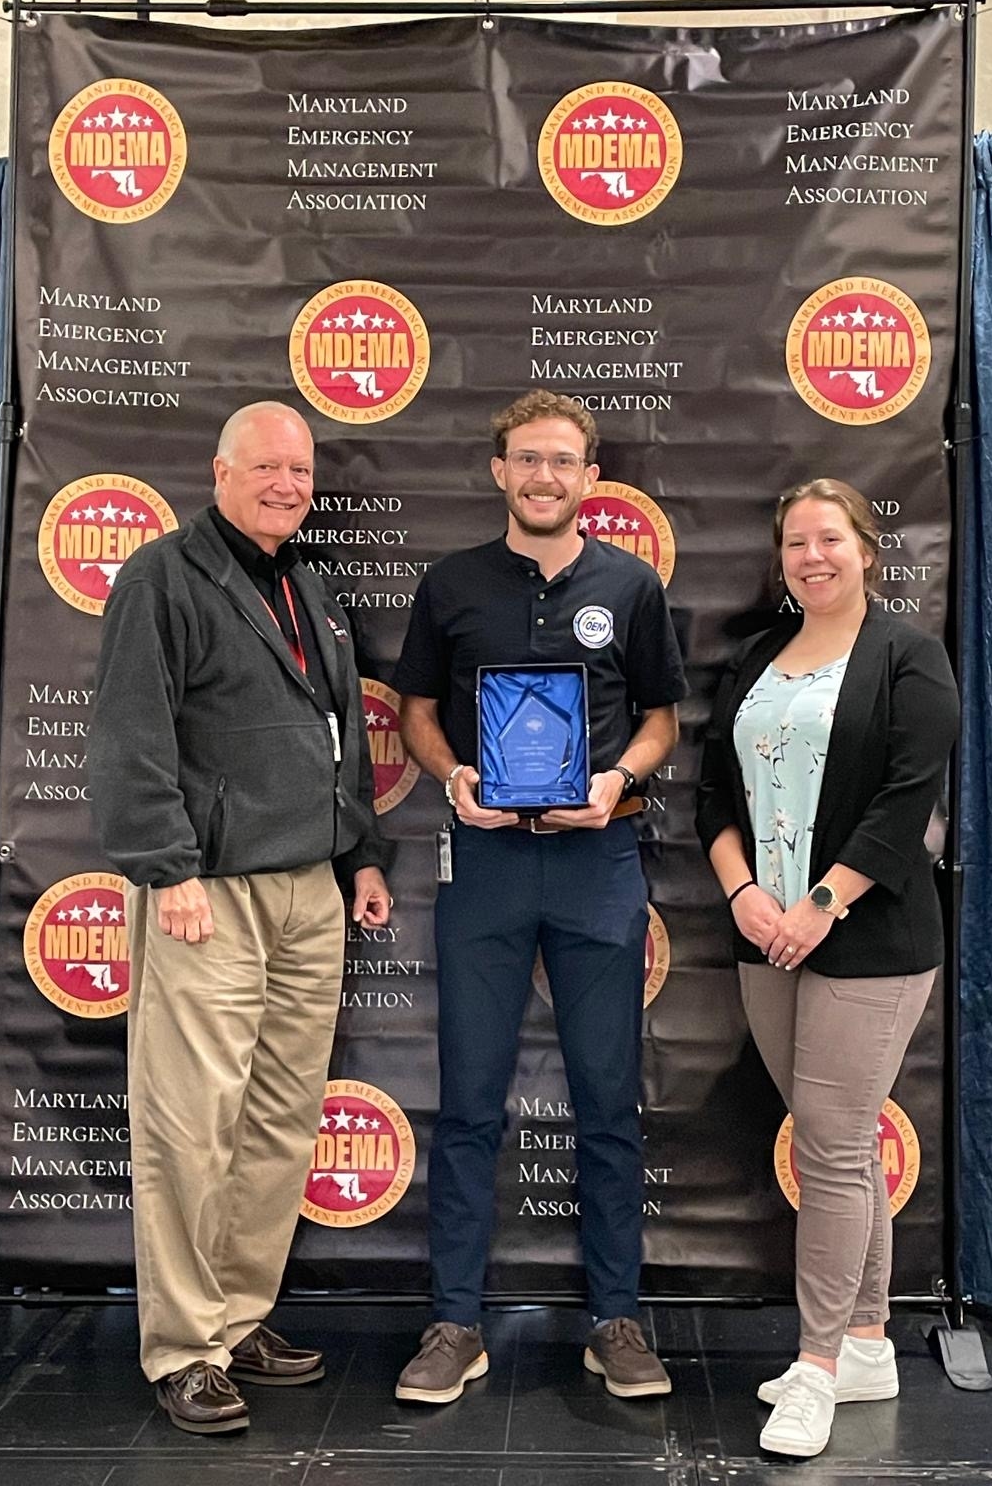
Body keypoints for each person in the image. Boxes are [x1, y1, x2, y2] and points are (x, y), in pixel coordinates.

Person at [89, 400, 393, 1436]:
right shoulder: (161, 576)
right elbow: (133, 730)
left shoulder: (310, 585)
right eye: (265, 466)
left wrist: (358, 853)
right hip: (205, 889)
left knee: (275, 1117)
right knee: (190, 1118)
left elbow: (342, 732)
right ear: (219, 472)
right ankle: (184, 1345)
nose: (286, 484)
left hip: (308, 886)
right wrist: (165, 866)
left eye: (300, 471)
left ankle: (237, 1314)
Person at [391, 389, 686, 1403]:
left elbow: (661, 720)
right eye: (527, 459)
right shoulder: (452, 583)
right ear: (498, 471)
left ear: (590, 475)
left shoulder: (632, 585)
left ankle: (617, 1318)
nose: (545, 476)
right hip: (486, 865)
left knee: (608, 1102)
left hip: (600, 862)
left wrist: (614, 781)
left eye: (563, 460)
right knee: (470, 1103)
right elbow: (418, 712)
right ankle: (454, 1322)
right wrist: (453, 777)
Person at [694, 478, 958, 1460]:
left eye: (831, 538)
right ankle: (864, 1343)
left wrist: (819, 902)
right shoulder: (759, 659)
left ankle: (811, 1369)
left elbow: (905, 803)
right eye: (797, 541)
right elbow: (714, 796)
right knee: (832, 1140)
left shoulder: (907, 656)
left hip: (869, 937)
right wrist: (745, 897)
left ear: (864, 550)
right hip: (766, 934)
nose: (814, 555)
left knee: (836, 1146)